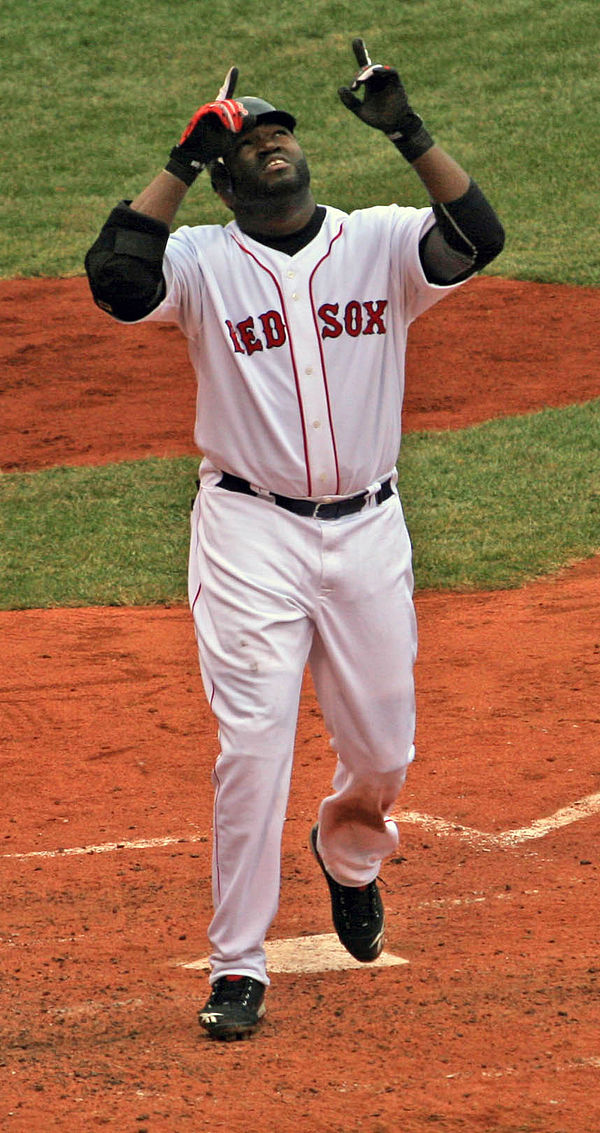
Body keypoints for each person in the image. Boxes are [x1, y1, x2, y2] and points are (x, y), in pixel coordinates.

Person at [85, 38, 504, 1041]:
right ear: (225, 180)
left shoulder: (379, 242)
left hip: (369, 531)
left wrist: (406, 128)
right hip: (246, 532)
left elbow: (475, 236)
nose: (269, 145)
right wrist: (183, 153)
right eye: (248, 140)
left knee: (384, 742)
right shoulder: (197, 262)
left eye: (279, 132)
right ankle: (238, 964)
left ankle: (351, 852)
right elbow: (115, 279)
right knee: (254, 745)